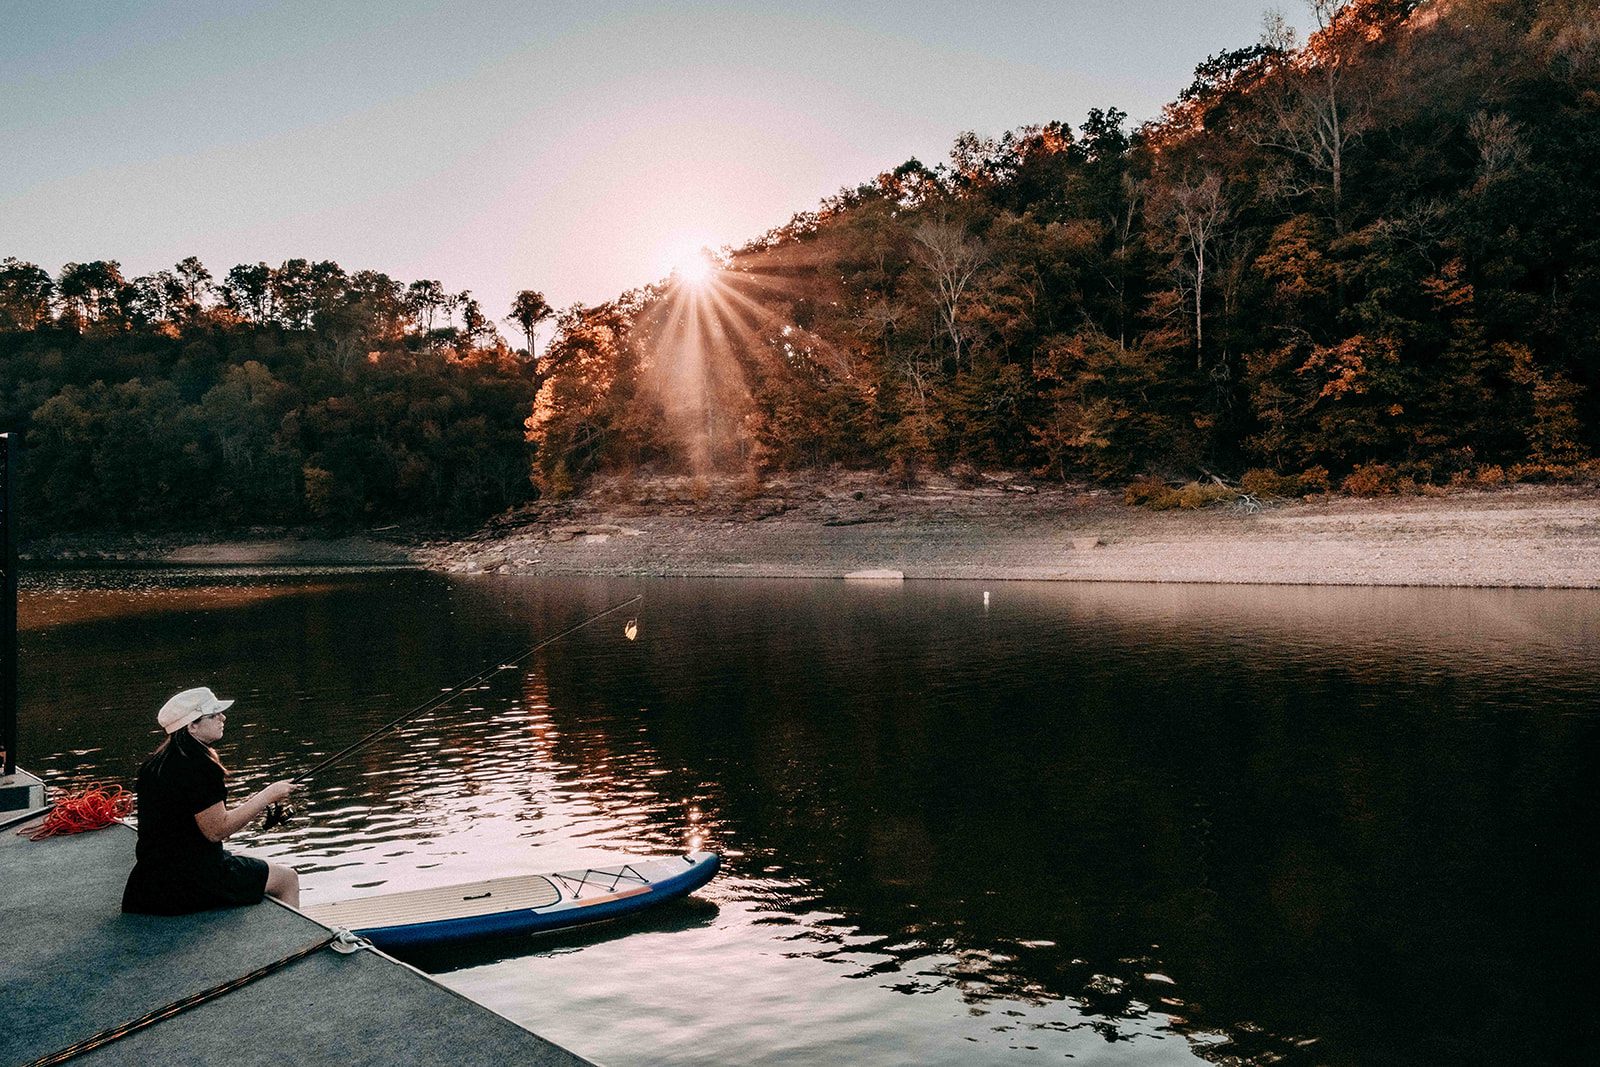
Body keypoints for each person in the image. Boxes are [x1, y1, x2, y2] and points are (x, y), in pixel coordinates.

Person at [122, 686, 300, 914]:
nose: (223, 717)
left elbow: (185, 825)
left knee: (239, 859)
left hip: (148, 884)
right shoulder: (201, 767)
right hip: (190, 885)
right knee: (288, 879)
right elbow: (216, 830)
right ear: (192, 726)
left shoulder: (153, 765)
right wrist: (268, 795)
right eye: (214, 714)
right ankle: (299, 947)